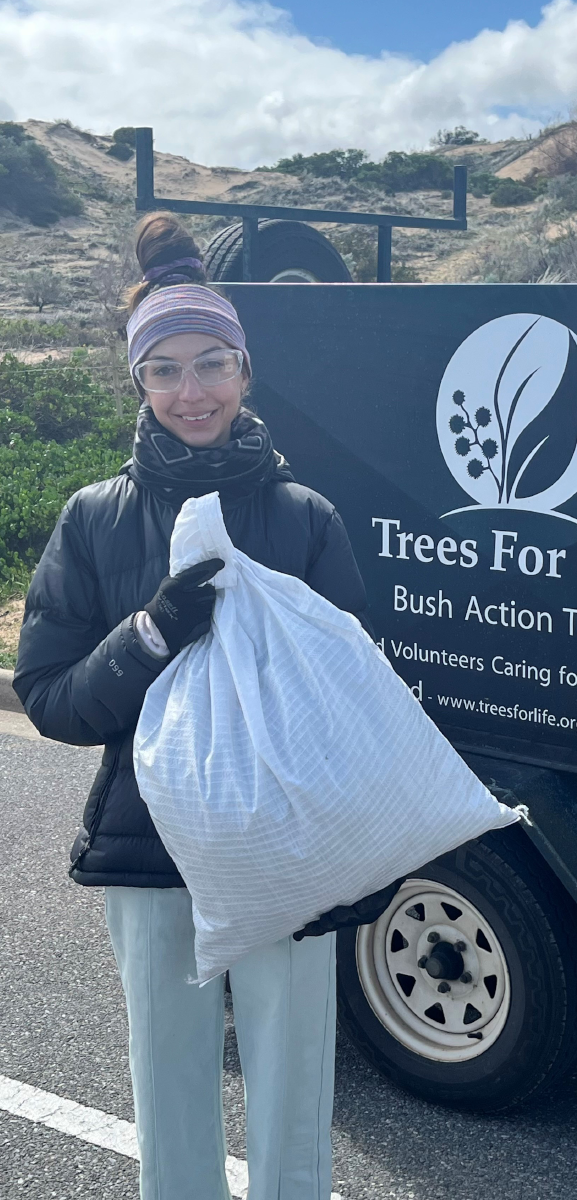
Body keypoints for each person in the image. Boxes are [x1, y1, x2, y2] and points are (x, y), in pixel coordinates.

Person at [13, 212, 370, 1200]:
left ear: (246, 372)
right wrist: (148, 638)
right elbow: (48, 694)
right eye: (163, 370)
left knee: (294, 1090)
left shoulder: (305, 520)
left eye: (211, 364)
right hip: (149, 842)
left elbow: (359, 695)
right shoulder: (93, 518)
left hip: (286, 844)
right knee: (170, 1090)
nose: (190, 391)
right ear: (138, 383)